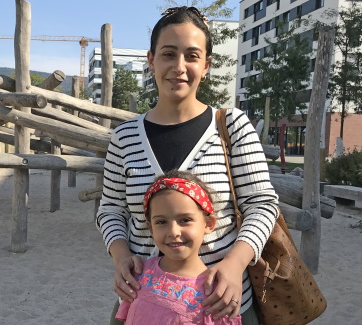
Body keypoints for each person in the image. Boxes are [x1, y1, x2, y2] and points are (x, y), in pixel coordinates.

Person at [95, 6, 279, 325]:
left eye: (192, 56)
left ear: (206, 65)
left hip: (221, 304)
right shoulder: (124, 137)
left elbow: (262, 204)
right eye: (168, 54)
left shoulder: (231, 126)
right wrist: (121, 255)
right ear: (151, 60)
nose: (179, 67)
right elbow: (110, 208)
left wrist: (235, 265)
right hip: (143, 304)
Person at [115, 170, 242, 325]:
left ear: (208, 224)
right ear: (151, 228)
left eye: (185, 220)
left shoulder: (217, 295)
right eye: (161, 222)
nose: (173, 232)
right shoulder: (139, 275)